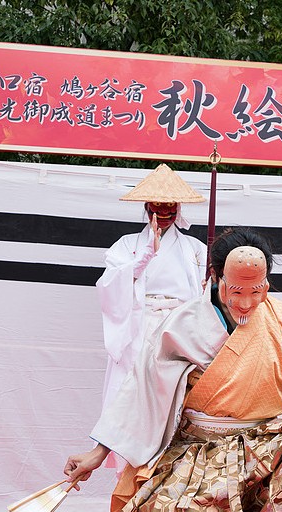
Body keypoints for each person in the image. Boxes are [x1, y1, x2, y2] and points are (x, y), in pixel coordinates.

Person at [65, 227, 282, 512]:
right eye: (236, 291)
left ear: (266, 284)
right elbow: (141, 394)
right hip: (202, 457)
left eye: (257, 291)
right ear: (215, 276)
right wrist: (97, 453)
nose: (246, 303)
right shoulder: (182, 325)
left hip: (266, 455)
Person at [96, 163, 207, 471]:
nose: (164, 211)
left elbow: (205, 295)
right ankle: (127, 471)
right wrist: (146, 254)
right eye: (157, 205)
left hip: (178, 328)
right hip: (140, 325)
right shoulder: (127, 245)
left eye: (170, 205)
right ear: (147, 207)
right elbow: (109, 286)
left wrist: (208, 284)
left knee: (172, 397)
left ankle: (167, 468)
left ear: (178, 208)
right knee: (130, 394)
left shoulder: (195, 248)